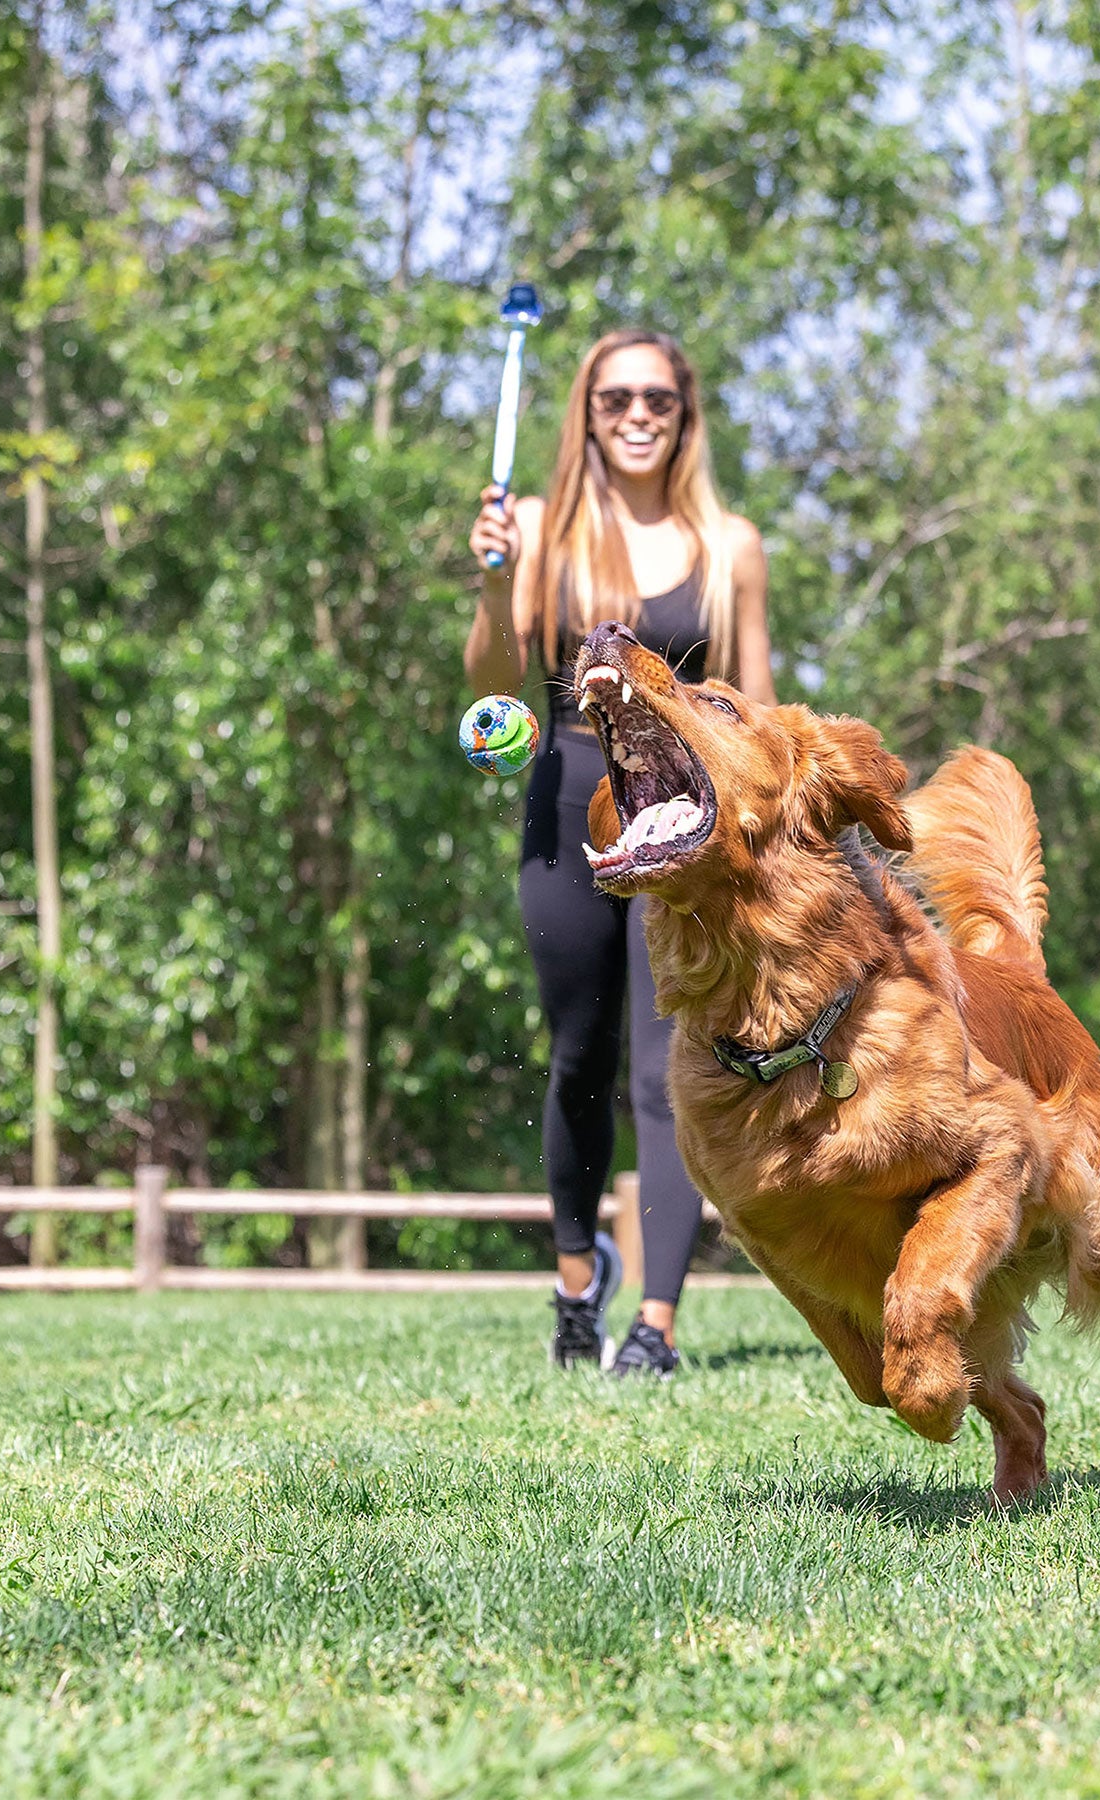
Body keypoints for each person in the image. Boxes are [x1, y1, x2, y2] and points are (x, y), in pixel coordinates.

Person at [465, 329, 775, 1377]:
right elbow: (494, 683)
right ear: (587, 415)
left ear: (685, 414)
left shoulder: (730, 545)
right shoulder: (538, 529)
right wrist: (492, 584)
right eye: (615, 399)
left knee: (668, 1067)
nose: (637, 415)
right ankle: (574, 1291)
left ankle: (657, 1325)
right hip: (567, 800)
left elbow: (756, 709)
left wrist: (773, 833)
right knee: (579, 1058)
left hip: (685, 820)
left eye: (658, 399)